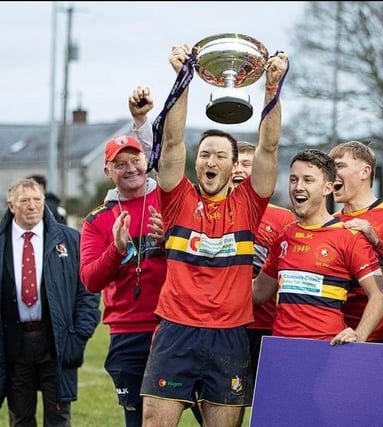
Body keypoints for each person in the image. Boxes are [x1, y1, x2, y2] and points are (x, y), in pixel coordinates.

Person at [138, 44, 288, 427]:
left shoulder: (249, 205)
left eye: (221, 155)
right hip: (176, 331)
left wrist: (272, 88)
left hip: (229, 335)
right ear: (197, 160)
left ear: (235, 165)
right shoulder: (176, 199)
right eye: (205, 154)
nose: (211, 161)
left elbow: (269, 147)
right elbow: (171, 144)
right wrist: (182, 81)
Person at [78, 86, 182, 427]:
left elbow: (168, 153)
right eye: (119, 164)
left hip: (173, 325)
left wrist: (169, 241)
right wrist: (117, 248)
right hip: (127, 334)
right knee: (137, 421)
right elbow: (91, 279)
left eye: (135, 160)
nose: (130, 168)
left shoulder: (169, 200)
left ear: (145, 162)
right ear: (108, 172)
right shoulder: (97, 220)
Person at [252, 149, 383, 344]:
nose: (298, 186)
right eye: (293, 179)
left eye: (308, 180)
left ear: (327, 188)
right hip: (280, 349)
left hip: (326, 349)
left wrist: (359, 335)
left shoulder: (349, 237)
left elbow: (380, 296)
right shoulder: (284, 236)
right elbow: (259, 292)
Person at [0, 177, 100, 426]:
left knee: (58, 418)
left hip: (56, 343)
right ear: (12, 206)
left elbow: (88, 290)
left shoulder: (69, 240)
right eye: (24, 200)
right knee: (20, 418)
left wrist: (78, 337)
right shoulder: (1, 242)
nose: (32, 206)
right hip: (14, 345)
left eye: (37, 200)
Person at [329, 140, 383, 343]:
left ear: (365, 172)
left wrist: (377, 243)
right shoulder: (330, 221)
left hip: (379, 335)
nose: (332, 173)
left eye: (340, 166)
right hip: (333, 334)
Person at [234, 141, 296, 379]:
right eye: (235, 164)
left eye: (247, 164)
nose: (239, 170)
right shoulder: (211, 211)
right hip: (222, 325)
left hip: (264, 325)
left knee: (264, 403)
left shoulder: (283, 218)